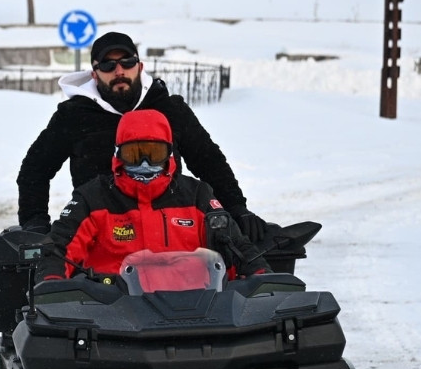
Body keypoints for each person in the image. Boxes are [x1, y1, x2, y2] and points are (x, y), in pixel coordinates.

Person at [17, 32, 264, 244]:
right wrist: (35, 223)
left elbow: (209, 161)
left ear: (140, 66)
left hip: (171, 231)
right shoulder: (74, 115)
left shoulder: (169, 108)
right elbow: (35, 169)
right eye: (108, 65)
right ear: (94, 73)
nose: (119, 70)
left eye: (127, 61)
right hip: (99, 235)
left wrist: (237, 208)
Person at [44, 108, 265, 279]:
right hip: (112, 313)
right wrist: (51, 284)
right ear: (118, 154)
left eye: (154, 153)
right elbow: (59, 247)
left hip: (195, 310)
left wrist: (263, 279)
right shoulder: (93, 198)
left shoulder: (197, 195)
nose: (144, 163)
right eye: (135, 153)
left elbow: (235, 247)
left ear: (169, 154)